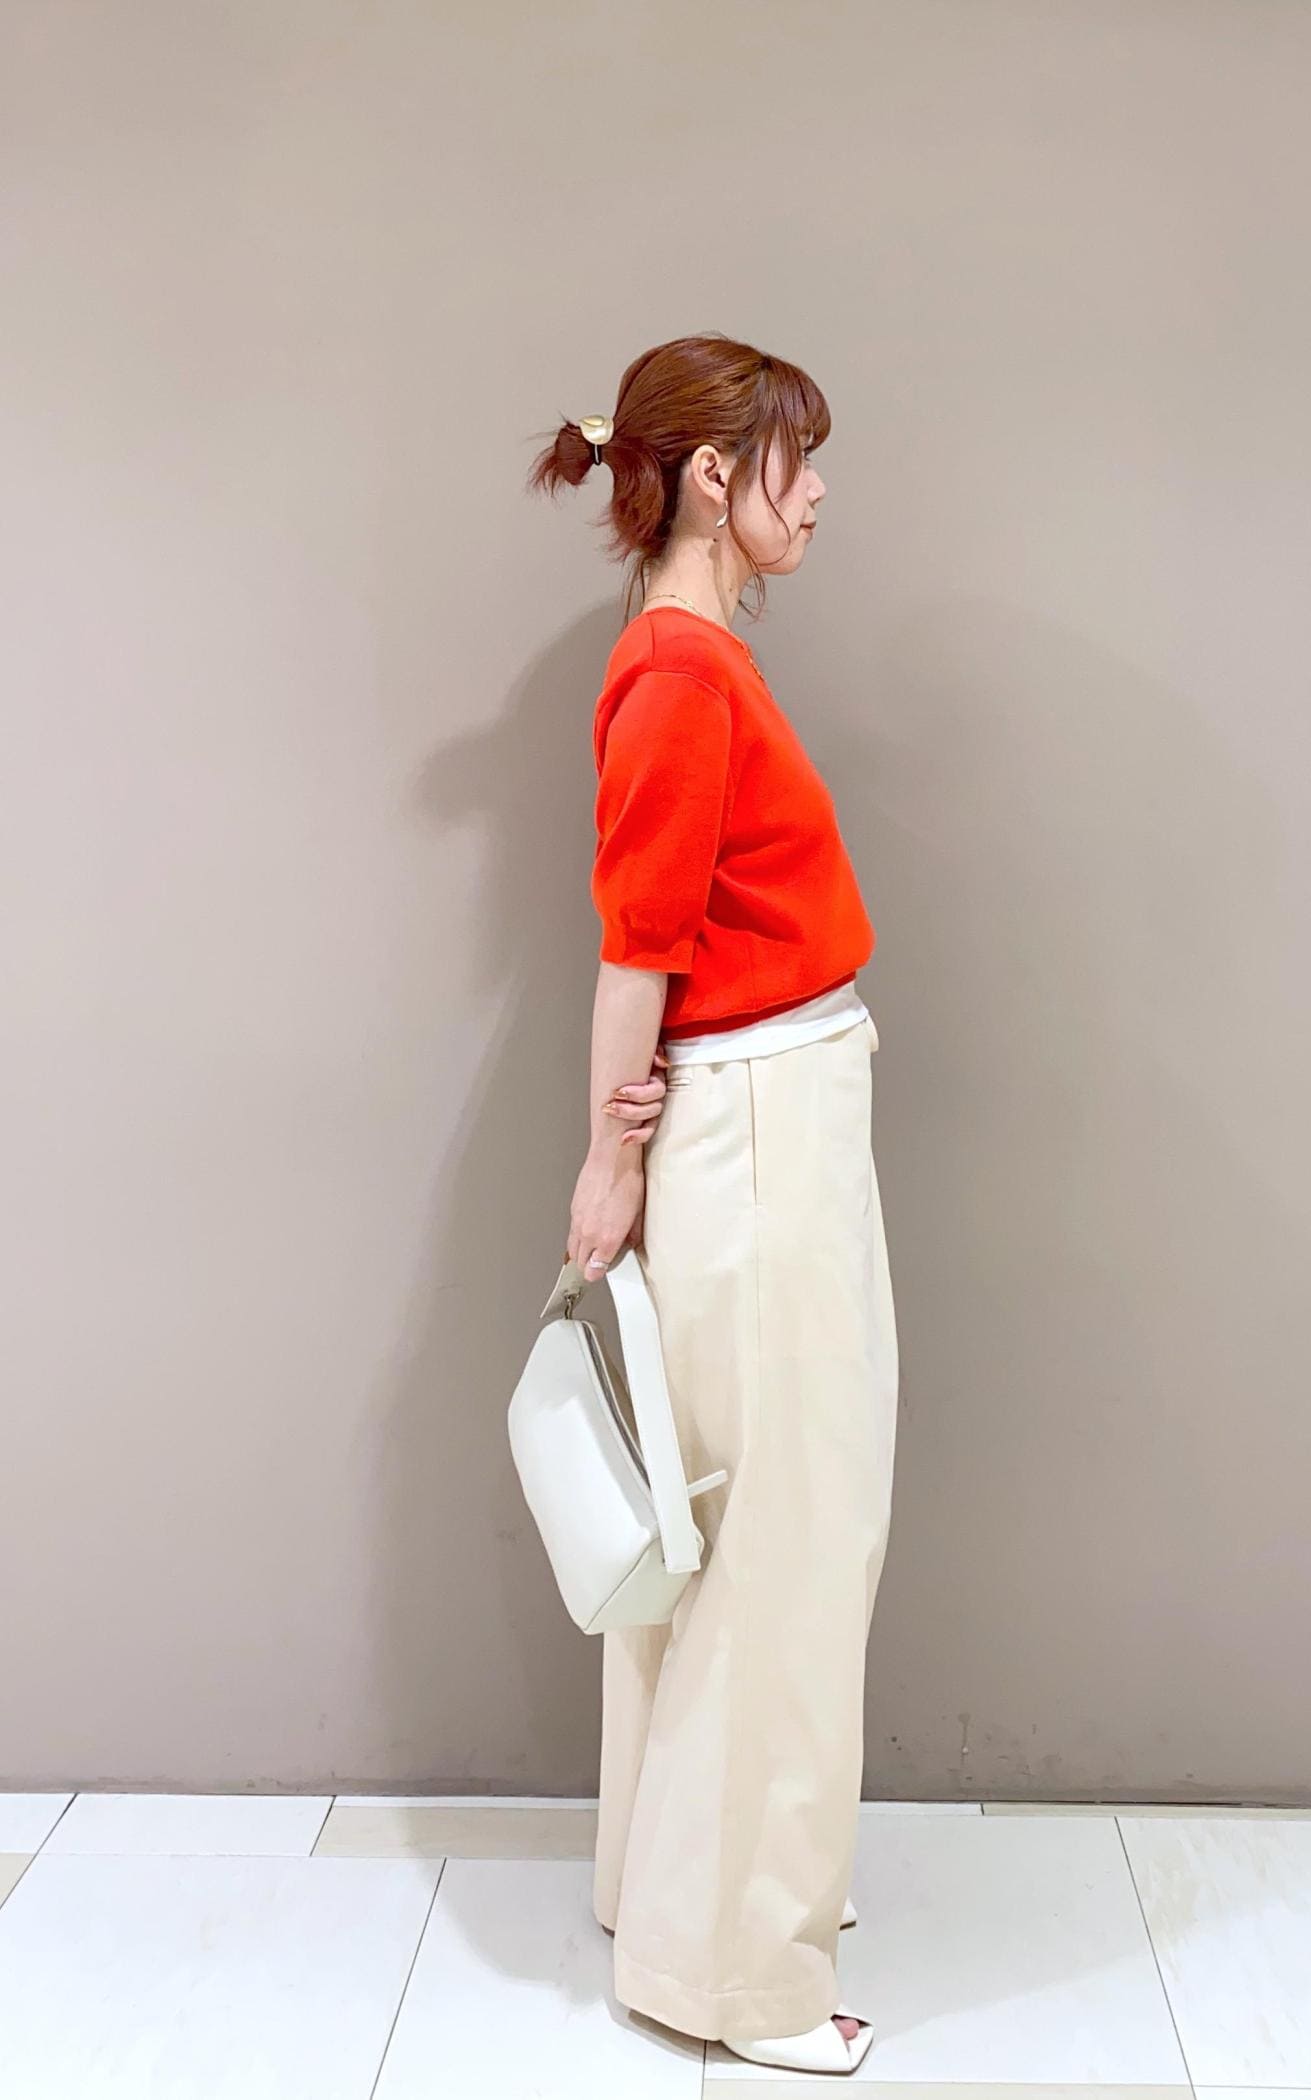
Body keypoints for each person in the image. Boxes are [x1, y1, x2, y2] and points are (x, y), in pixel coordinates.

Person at [526, 332, 899, 2076]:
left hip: (765, 1108)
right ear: (708, 477)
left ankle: (672, 1900)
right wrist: (610, 1162)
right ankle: (745, 1977)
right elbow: (639, 947)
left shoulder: (694, 658)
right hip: (758, 1123)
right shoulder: (682, 670)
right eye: (791, 462)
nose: (816, 495)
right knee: (787, 1536)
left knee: (728, 1530)